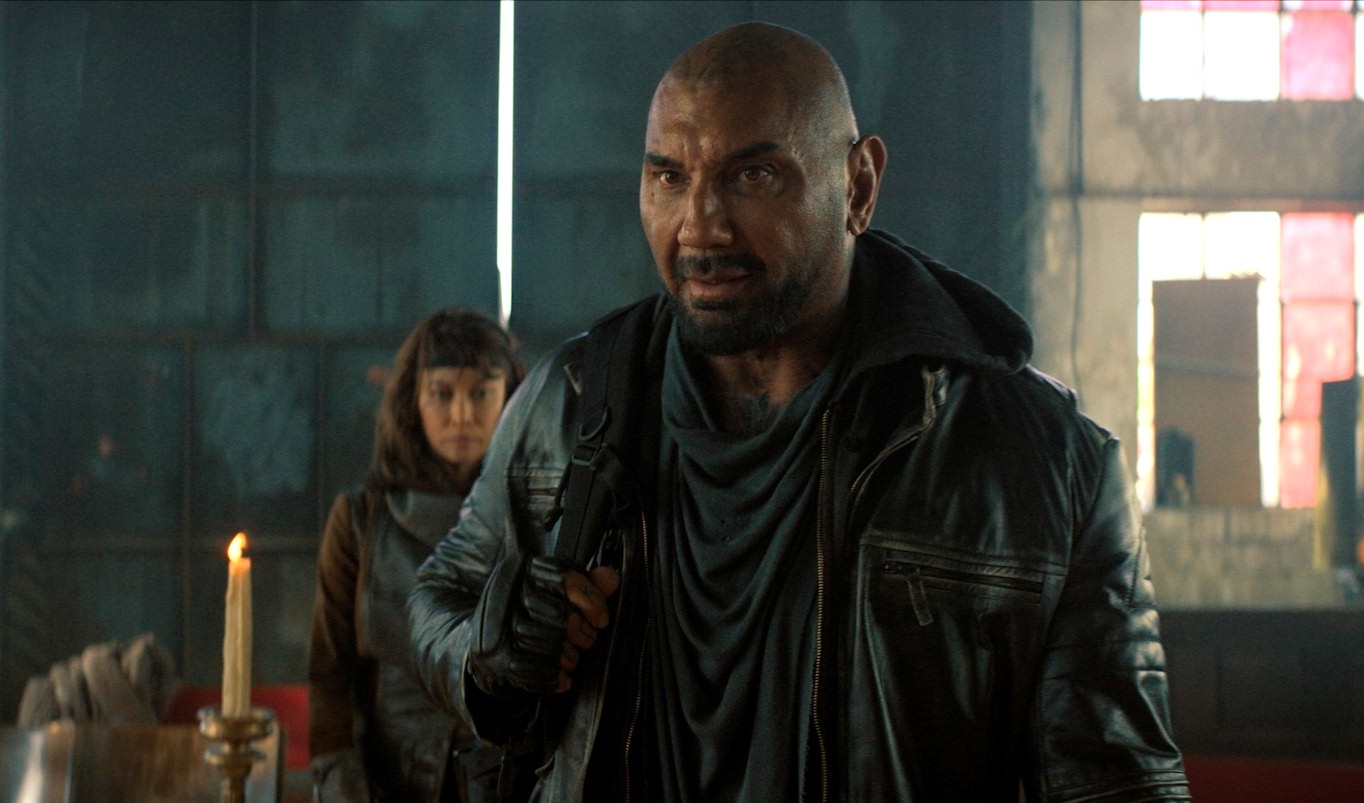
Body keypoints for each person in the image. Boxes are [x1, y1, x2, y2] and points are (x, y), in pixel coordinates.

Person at [409, 22, 1189, 803]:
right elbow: (437, 598)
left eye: (754, 176)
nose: (699, 225)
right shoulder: (572, 401)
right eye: (669, 177)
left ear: (858, 187)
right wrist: (492, 649)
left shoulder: (1042, 462)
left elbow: (1118, 785)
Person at [309, 308, 526, 802]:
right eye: (443, 394)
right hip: (387, 783)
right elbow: (330, 674)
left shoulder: (533, 515)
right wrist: (343, 785)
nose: (462, 415)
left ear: (509, 398)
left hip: (508, 780)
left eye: (480, 393)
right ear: (415, 400)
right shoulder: (362, 519)